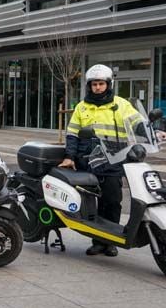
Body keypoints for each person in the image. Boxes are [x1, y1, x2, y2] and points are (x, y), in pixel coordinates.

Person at [58, 64, 143, 258]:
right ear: (89, 86)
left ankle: (110, 242)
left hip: (114, 160)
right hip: (88, 161)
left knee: (112, 201)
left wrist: (153, 132)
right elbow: (72, 134)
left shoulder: (120, 104)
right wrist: (69, 156)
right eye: (94, 84)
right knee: (90, 203)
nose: (97, 87)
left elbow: (137, 123)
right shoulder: (82, 106)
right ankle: (97, 242)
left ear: (108, 84)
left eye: (101, 84)